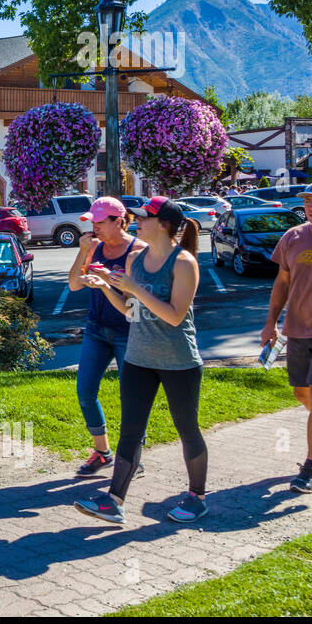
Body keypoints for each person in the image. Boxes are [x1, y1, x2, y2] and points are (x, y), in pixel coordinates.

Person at [75, 198, 207, 524]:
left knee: (186, 428)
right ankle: (114, 501)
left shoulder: (183, 263)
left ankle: (196, 497)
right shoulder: (136, 258)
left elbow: (175, 316)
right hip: (138, 357)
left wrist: (135, 287)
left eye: (144, 218)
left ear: (162, 224)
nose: (136, 223)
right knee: (131, 430)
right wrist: (107, 286)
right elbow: (131, 312)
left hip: (178, 360)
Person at [264, 180, 312, 493]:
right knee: (302, 393)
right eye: (307, 202)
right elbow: (282, 282)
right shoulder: (293, 237)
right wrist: (271, 322)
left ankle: (310, 468)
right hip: (297, 329)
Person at [67, 198, 145, 475]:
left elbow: (131, 308)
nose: (94, 227)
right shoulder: (95, 247)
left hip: (129, 332)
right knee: (86, 391)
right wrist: (83, 253)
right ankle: (102, 452)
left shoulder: (137, 251)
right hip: (96, 329)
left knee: (132, 397)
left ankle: (133, 458)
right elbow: (75, 284)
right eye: (92, 223)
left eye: (100, 222)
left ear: (118, 221)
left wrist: (105, 285)